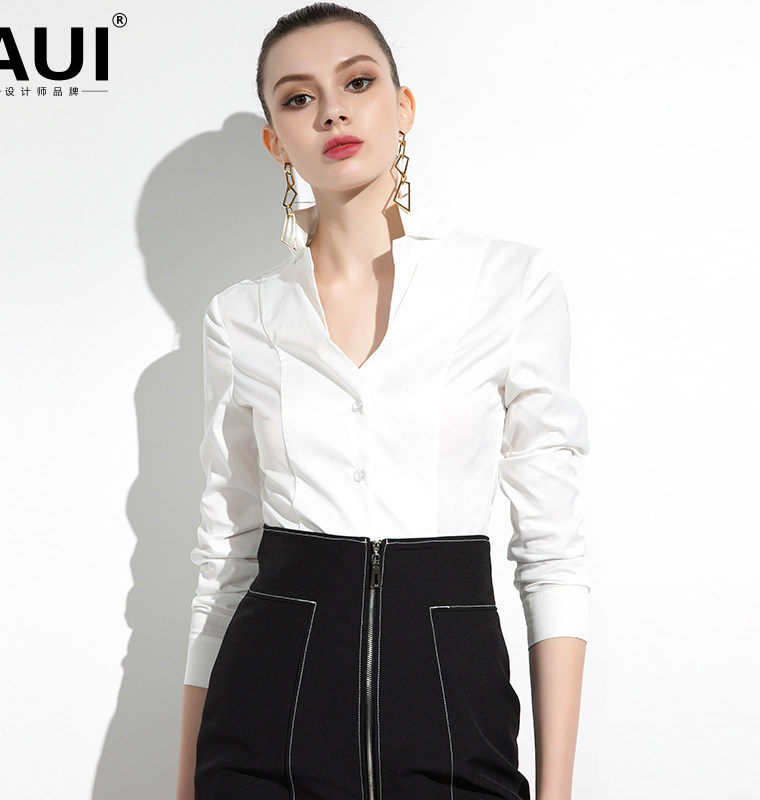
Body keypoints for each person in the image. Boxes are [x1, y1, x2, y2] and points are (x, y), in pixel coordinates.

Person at [176, 4, 590, 799]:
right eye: (298, 98)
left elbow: (552, 553)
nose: (331, 111)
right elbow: (225, 563)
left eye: (357, 83)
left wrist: (558, 790)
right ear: (276, 142)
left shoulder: (507, 284)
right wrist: (184, 785)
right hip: (264, 717)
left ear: (403, 107)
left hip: (452, 711)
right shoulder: (242, 317)